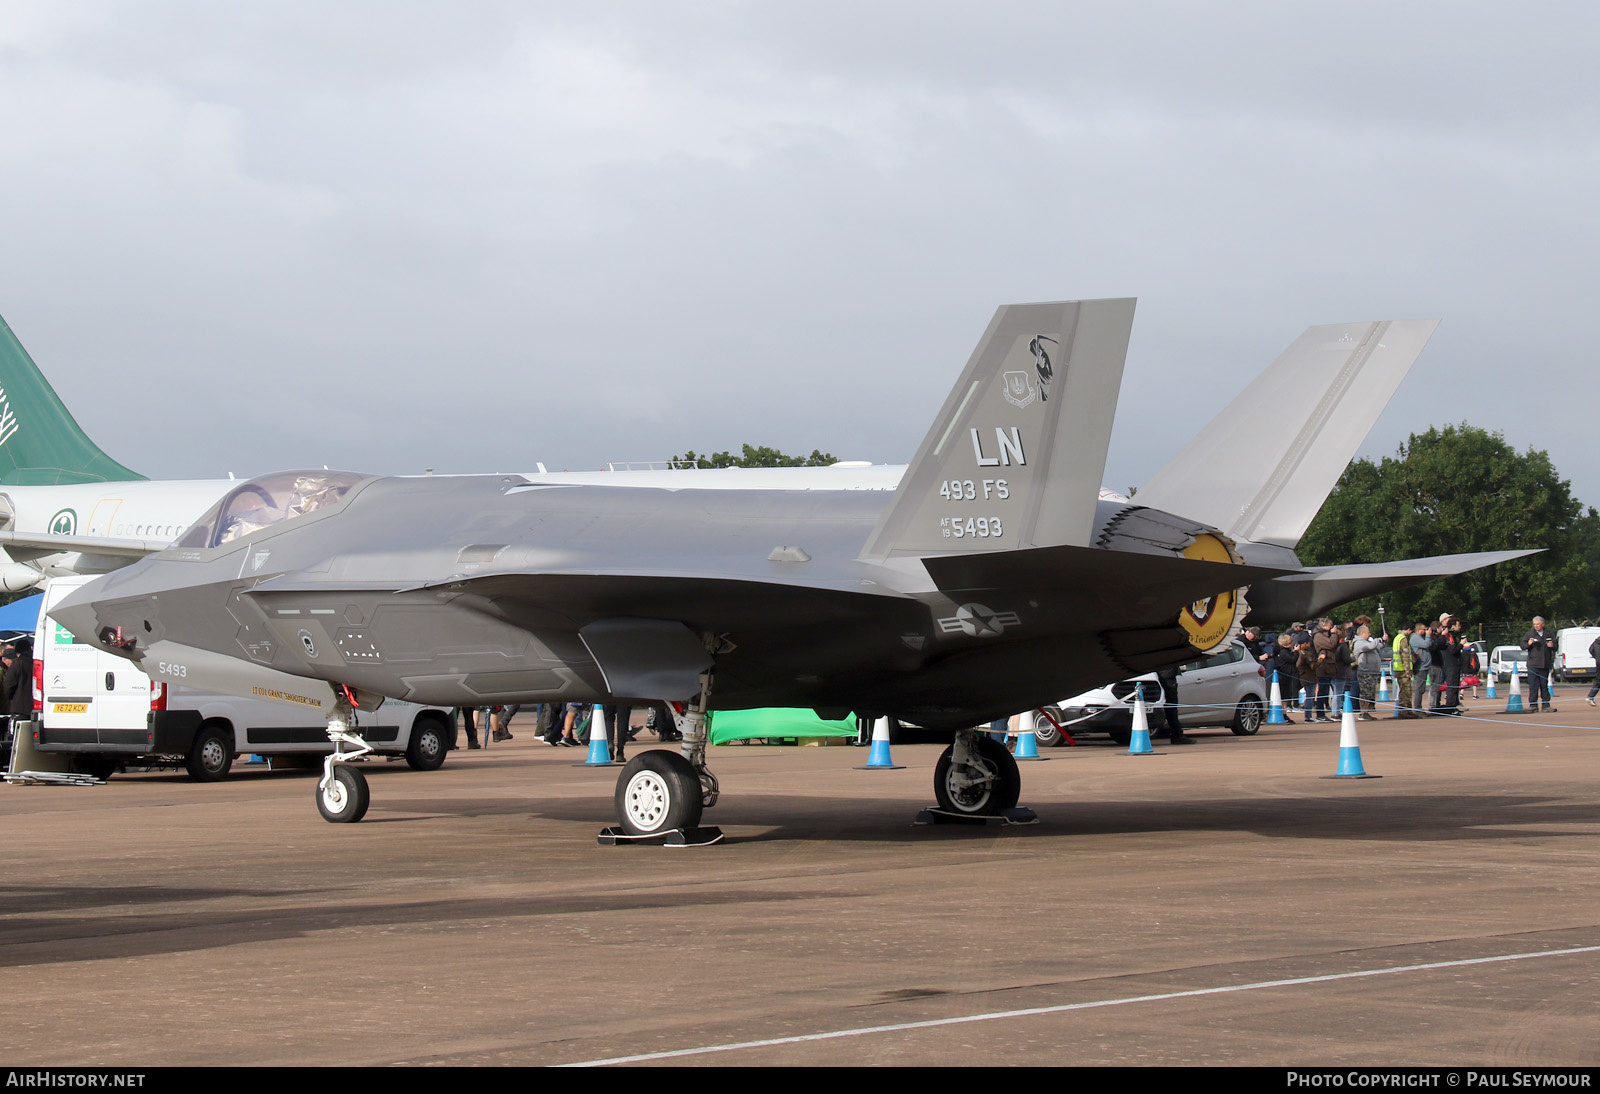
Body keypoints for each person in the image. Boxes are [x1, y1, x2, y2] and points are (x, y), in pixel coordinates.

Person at [1523, 616, 1558, 712]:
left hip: (1545, 664)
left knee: (1544, 685)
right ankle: (1533, 705)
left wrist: (1552, 645)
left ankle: (1546, 705)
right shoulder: (1530, 634)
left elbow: (1556, 646)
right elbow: (1523, 646)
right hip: (1533, 664)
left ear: (1543, 624)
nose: (1536, 626)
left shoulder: (1549, 633)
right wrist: (1529, 644)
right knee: (1533, 686)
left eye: (1538, 624)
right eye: (1534, 624)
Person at [1353, 624, 1386, 720]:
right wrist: (1379, 639)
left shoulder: (1367, 642)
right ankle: (1363, 712)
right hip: (1365, 671)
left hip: (1372, 671)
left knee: (1370, 692)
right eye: (1368, 632)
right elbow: (1370, 646)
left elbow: (1378, 646)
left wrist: (1383, 641)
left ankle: (1366, 711)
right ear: (1362, 633)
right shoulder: (1359, 643)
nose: (1370, 634)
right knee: (1365, 692)